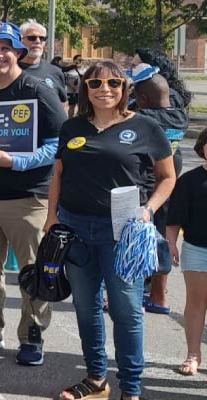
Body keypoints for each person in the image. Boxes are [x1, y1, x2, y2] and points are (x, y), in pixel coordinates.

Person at [49, 61, 175, 400]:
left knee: (126, 311)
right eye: (95, 83)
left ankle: (131, 389)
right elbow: (58, 175)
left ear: (124, 88)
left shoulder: (147, 128)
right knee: (85, 307)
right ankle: (95, 381)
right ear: (85, 89)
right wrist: (52, 218)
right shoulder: (72, 127)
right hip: (75, 228)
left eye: (114, 83)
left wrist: (149, 209)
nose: (105, 88)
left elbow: (167, 178)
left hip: (124, 233)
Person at [0, 21, 66, 365]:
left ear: (19, 52)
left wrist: (17, 162)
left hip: (27, 197)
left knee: (32, 272)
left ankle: (32, 334)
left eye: (6, 48)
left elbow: (60, 144)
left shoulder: (37, 89)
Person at [134, 72, 189, 314]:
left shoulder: (143, 119)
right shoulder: (180, 117)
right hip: (170, 187)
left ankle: (132, 295)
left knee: (136, 241)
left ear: (143, 98)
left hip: (147, 187)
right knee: (162, 243)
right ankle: (159, 297)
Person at [167, 133, 207, 377]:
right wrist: (171, 244)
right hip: (196, 249)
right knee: (196, 303)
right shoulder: (190, 181)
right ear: (202, 148)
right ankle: (193, 355)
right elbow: (174, 219)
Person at [18, 20, 68, 104]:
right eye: (32, 38)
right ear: (20, 40)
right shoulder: (9, 71)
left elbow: (61, 103)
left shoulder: (55, 72)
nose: (37, 41)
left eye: (42, 38)